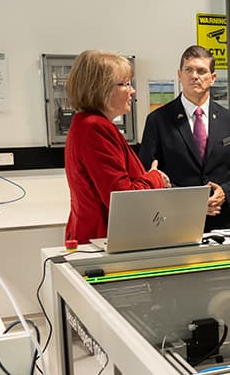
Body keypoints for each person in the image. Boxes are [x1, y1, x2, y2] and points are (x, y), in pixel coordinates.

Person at [139, 45, 230, 231]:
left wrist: (225, 192)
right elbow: (145, 173)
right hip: (175, 224)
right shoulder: (158, 120)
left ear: (212, 78)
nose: (194, 76)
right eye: (188, 70)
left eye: (201, 71)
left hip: (225, 223)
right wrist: (192, 202)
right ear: (179, 74)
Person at [64, 50, 170, 244]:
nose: (132, 91)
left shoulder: (87, 125)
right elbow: (123, 200)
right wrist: (155, 178)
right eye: (126, 84)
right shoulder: (94, 128)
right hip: (103, 240)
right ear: (101, 89)